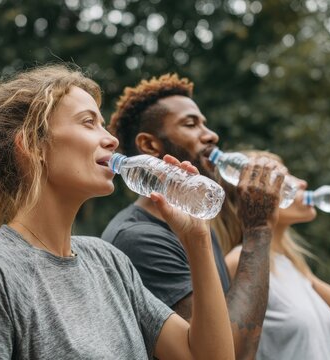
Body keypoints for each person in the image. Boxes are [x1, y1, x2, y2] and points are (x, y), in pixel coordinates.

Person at [0, 64, 235, 359]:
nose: (112, 139)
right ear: (33, 145)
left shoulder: (109, 263)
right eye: (88, 122)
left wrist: (197, 240)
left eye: (102, 123)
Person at [102, 73, 285, 359]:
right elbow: (231, 353)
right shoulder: (139, 239)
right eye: (190, 124)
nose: (211, 134)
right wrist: (258, 229)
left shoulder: (193, 224)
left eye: (204, 123)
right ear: (149, 146)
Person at [214, 150, 330, 360]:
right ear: (250, 198)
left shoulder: (290, 265)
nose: (302, 183)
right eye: (284, 180)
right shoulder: (237, 262)